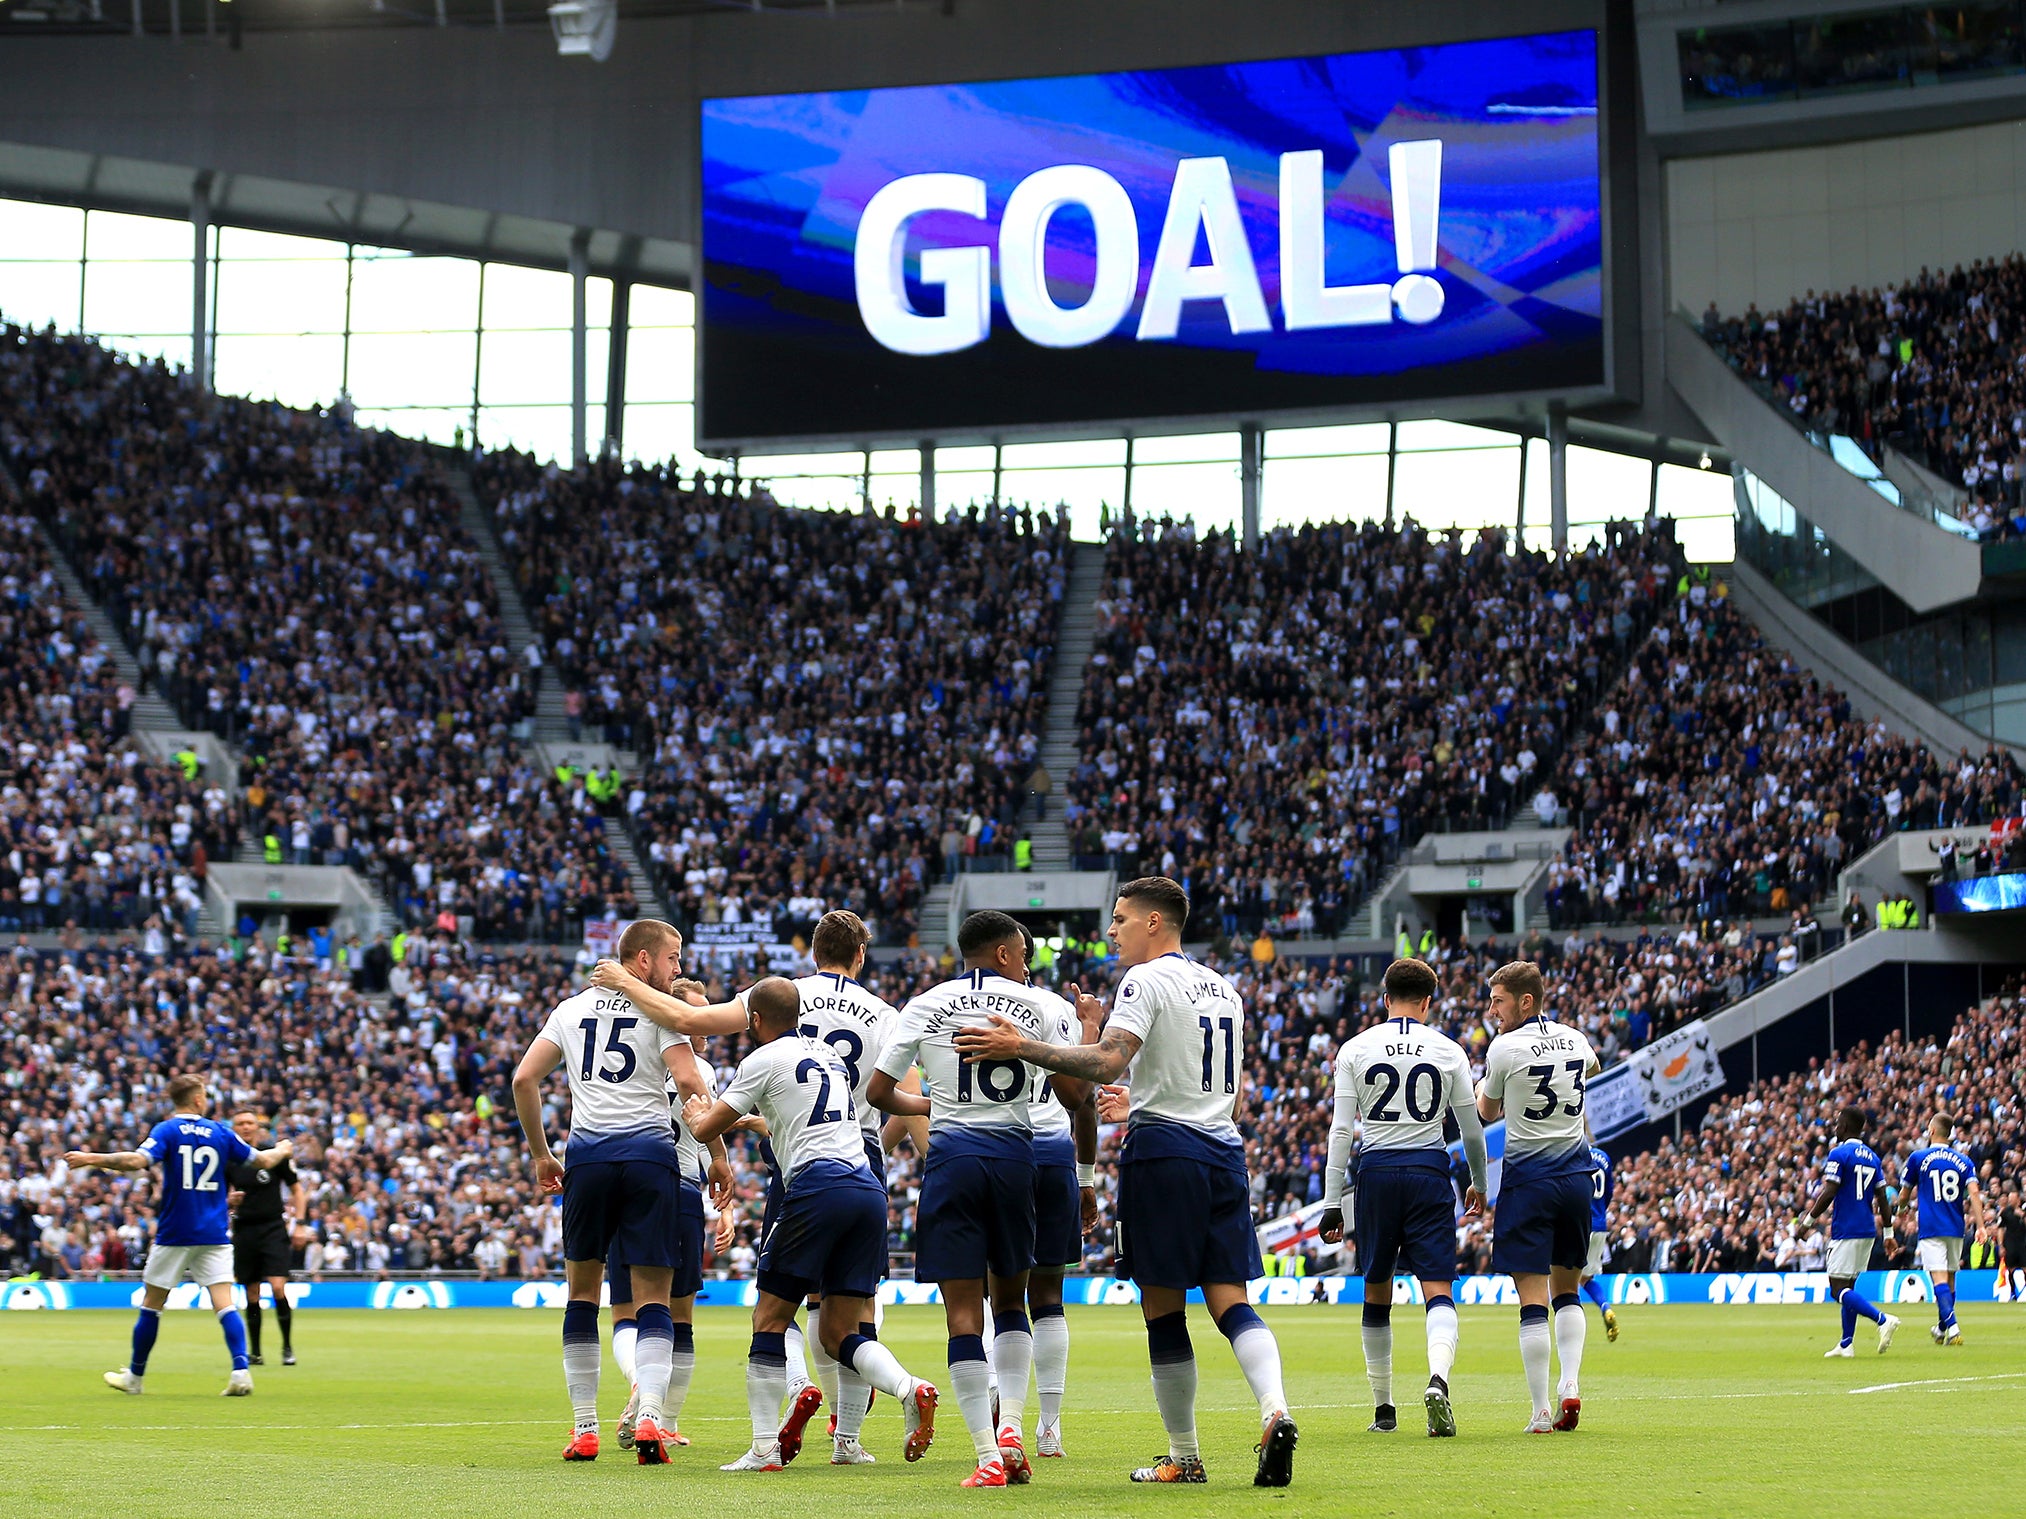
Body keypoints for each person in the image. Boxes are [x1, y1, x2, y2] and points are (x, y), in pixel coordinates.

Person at [954, 878, 1298, 1488]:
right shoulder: (1226, 991)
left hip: (1165, 1156)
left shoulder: (1144, 981)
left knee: (1163, 1309)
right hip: (1223, 1150)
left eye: (1119, 919)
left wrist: (1020, 1045)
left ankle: (1185, 1456)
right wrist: (1138, 1100)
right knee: (1232, 1300)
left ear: (1153, 923)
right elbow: (1233, 1099)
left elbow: (1107, 1060)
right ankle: (1275, 1410)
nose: (1111, 931)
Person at [511, 918, 749, 1464]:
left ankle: (585, 1428)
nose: (678, 969)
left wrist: (541, 1154)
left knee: (582, 1294)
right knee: (653, 1300)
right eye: (673, 958)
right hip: (650, 1161)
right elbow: (690, 1083)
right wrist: (714, 1145)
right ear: (642, 960)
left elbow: (525, 1080)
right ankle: (650, 1421)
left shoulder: (569, 1011)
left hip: (588, 1159)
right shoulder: (660, 1011)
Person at [866, 910, 1091, 1487]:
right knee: (1013, 1302)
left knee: (963, 1313)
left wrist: (932, 1106)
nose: (1027, 961)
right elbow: (1075, 1095)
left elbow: (879, 1092)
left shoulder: (924, 1003)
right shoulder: (1038, 1007)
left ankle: (987, 1455)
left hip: (953, 1161)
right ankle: (1014, 1425)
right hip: (1018, 1161)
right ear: (1002, 954)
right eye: (1022, 952)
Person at [686, 977, 940, 1473]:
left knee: (770, 1319)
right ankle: (908, 1387)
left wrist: (699, 1111)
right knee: (842, 1330)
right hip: (866, 1188)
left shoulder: (759, 1060)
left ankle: (763, 1449)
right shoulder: (828, 1056)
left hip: (814, 1189)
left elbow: (704, 1128)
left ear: (755, 1021)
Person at [1316, 956, 1488, 1439]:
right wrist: (1479, 1182)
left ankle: (1384, 1408)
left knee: (1377, 1287)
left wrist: (1333, 1202)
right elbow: (1472, 1130)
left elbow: (1341, 1131)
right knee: (1438, 1288)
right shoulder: (1450, 1050)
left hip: (1376, 1170)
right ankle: (1438, 1379)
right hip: (1429, 1170)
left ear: (1385, 998)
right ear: (1428, 1002)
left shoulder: (1355, 1048)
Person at [582, 956, 742, 1453]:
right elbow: (707, 1131)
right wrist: (723, 1188)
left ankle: (641, 1390)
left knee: (626, 1310)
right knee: (678, 1314)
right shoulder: (697, 1069)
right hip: (676, 1188)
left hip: (631, 1180)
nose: (701, 1032)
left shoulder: (638, 1048)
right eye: (694, 1019)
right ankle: (660, 1413)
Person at [65, 1072, 292, 1397]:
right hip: (214, 1233)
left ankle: (135, 1378)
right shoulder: (219, 1132)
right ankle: (241, 1371)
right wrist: (283, 1148)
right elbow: (265, 1159)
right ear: (199, 1099)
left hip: (175, 1232)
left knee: (152, 1305)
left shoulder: (167, 1130)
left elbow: (137, 1160)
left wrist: (92, 1158)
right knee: (225, 1304)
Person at [1475, 960, 1601, 1433]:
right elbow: (1593, 1066)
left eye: (1499, 1001)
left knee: (1532, 1298)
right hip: (1575, 1177)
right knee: (1567, 1289)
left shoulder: (1505, 1048)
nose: (1492, 1011)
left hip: (1528, 1180)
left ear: (1526, 1000)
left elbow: (1486, 1110)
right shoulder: (1576, 1037)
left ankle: (1541, 1411)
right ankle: (1570, 1384)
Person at [1008, 923, 1101, 1461]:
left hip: (993, 1153)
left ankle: (1004, 1410)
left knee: (998, 1293)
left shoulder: (953, 1005)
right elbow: (1082, 1101)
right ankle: (1049, 1426)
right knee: (1047, 1298)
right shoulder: (1057, 1010)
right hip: (1051, 1153)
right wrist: (1085, 1181)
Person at [1805, 1106, 1901, 1358]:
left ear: (1845, 1127)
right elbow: (1882, 1198)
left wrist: (1807, 1221)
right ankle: (1846, 1343)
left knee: (1837, 1290)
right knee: (1848, 1286)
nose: (1835, 1128)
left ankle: (1882, 1319)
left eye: (1837, 1123)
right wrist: (1889, 1234)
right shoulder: (1872, 1157)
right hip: (1868, 1229)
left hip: (1846, 1228)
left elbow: (1829, 1191)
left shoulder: (1839, 1154)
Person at [1898, 1112, 1990, 1346]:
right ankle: (1941, 1327)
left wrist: (1900, 1209)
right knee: (1949, 1279)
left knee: (1938, 1278)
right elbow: (1974, 1194)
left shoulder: (1918, 1157)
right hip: (1955, 1225)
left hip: (1931, 1226)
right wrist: (1980, 1225)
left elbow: (1904, 1194)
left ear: (1931, 1131)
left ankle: (1954, 1328)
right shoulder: (1964, 1161)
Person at [227, 1110, 303, 1367]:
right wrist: (228, 1201)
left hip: (272, 1227)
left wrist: (300, 1223)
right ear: (234, 1128)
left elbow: (297, 1189)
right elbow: (217, 1196)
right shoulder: (229, 1160)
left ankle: (287, 1347)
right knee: (251, 1293)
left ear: (259, 1128)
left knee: (278, 1286)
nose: (246, 1127)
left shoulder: (274, 1155)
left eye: (250, 1123)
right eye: (241, 1123)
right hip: (245, 1230)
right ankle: (256, 1351)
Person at [1579, 1136, 1622, 1344]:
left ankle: (1570, 1326)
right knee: (1585, 1278)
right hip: (1599, 1223)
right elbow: (1610, 1192)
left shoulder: (1573, 1155)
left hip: (1578, 1223)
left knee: (1563, 1278)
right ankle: (1605, 1306)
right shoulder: (1603, 1157)